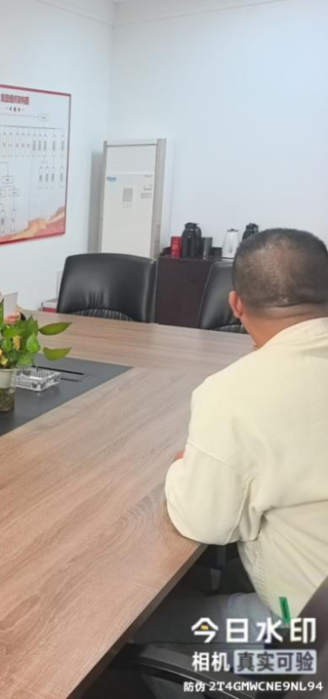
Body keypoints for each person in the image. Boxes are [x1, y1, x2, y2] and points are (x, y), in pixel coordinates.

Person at [134, 229, 328, 697]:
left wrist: (182, 469)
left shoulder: (235, 393)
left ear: (236, 305)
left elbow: (205, 522)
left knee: (139, 629)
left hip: (303, 640)